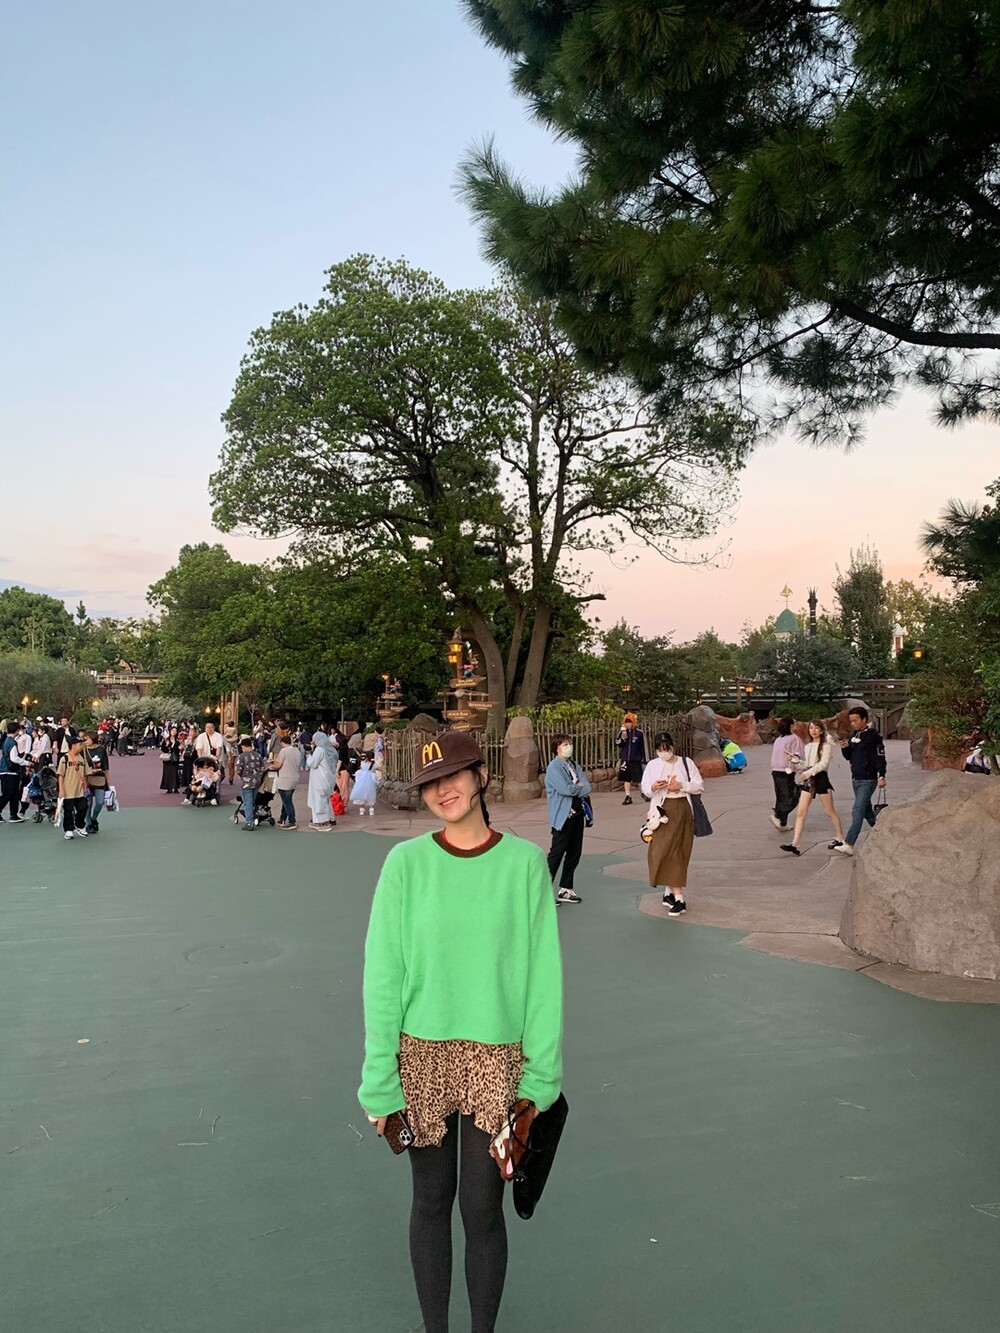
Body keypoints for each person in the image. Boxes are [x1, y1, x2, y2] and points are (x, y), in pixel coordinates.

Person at [358, 730, 563, 1333]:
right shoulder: (405, 865)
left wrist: (541, 1078)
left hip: (496, 1056)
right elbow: (383, 975)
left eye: (452, 776)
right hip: (420, 1054)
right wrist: (379, 1080)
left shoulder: (524, 865)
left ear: (480, 776)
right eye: (430, 783)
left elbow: (543, 977)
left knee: (481, 1207)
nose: (442, 790)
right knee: (429, 1203)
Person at [641, 731, 704, 916]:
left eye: (666, 748)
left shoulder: (686, 763)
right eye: (659, 749)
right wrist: (654, 787)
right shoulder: (653, 765)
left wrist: (681, 785)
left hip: (682, 808)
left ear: (672, 746)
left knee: (679, 852)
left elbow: (699, 785)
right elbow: (646, 790)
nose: (663, 752)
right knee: (662, 851)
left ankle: (676, 897)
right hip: (662, 811)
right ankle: (673, 895)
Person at [779, 721, 846, 855]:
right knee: (800, 812)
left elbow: (823, 763)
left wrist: (808, 772)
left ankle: (840, 838)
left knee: (829, 811)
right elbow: (806, 764)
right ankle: (795, 843)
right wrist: (796, 761)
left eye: (816, 728)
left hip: (821, 779)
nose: (813, 730)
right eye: (811, 728)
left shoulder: (826, 745)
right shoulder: (808, 746)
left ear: (821, 730)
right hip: (809, 780)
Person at [544, 734, 591, 904]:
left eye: (569, 743)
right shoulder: (553, 768)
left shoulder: (573, 765)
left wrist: (577, 787)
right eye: (564, 744)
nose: (568, 746)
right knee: (556, 854)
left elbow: (587, 786)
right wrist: (577, 787)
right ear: (556, 747)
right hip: (563, 816)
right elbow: (565, 789)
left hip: (577, 814)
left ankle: (566, 888)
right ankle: (543, 890)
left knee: (574, 853)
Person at [835, 706, 887, 857]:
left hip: (868, 779)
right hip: (856, 778)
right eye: (851, 721)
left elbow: (880, 756)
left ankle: (849, 843)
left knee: (857, 810)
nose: (853, 723)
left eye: (855, 720)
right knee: (867, 811)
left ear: (864, 719)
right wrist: (844, 747)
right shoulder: (854, 735)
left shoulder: (873, 735)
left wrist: (881, 775)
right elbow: (849, 756)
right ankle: (883, 833)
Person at [769, 717, 804, 833]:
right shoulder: (794, 738)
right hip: (786, 772)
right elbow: (798, 755)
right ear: (791, 726)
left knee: (781, 797)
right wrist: (802, 771)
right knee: (792, 797)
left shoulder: (778, 739)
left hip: (776, 771)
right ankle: (777, 816)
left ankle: (782, 823)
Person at [57, 734, 90, 839]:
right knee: (68, 811)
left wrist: (86, 786)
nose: (81, 746)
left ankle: (79, 825)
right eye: (80, 744)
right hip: (68, 791)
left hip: (80, 790)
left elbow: (85, 773)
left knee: (83, 807)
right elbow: (60, 775)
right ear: (73, 745)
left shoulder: (82, 758)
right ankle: (68, 830)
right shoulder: (65, 759)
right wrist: (61, 790)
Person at [306, 725, 338, 830]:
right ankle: (330, 818)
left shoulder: (320, 750)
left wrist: (309, 755)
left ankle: (323, 822)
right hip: (329, 779)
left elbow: (313, 763)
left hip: (319, 779)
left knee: (319, 800)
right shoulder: (332, 750)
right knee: (326, 799)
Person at [83, 730, 111, 833]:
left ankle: (94, 818)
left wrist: (108, 781)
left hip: (100, 778)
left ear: (93, 739)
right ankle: (88, 823)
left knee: (100, 802)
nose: (85, 741)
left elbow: (106, 766)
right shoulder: (83, 750)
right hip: (87, 779)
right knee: (88, 803)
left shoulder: (101, 750)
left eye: (87, 739)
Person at [0, 721, 29, 822]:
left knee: (12, 794)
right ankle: (13, 814)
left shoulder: (6, 740)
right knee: (9, 794)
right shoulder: (12, 742)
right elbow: (14, 758)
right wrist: (26, 763)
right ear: (17, 730)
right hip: (10, 771)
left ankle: (13, 814)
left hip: (5, 770)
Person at [272, 733, 302, 829]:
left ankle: (292, 821)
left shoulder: (284, 751)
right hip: (294, 777)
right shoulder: (297, 751)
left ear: (282, 743)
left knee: (287, 801)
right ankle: (282, 818)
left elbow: (278, 764)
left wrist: (272, 766)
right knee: (286, 800)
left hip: (285, 779)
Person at [234, 736, 265, 830]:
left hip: (246, 782)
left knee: (247, 802)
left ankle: (249, 822)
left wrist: (241, 776)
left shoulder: (242, 756)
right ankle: (254, 817)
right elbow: (262, 768)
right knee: (253, 800)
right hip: (256, 781)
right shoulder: (258, 755)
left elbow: (238, 769)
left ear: (244, 746)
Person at [616, 712, 647, 805]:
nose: (628, 724)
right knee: (626, 778)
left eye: (630, 722)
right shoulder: (622, 732)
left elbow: (643, 747)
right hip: (625, 759)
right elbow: (618, 743)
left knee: (639, 778)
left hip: (636, 759)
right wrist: (623, 738)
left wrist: (644, 759)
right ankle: (628, 796)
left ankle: (644, 793)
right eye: (626, 722)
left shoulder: (639, 733)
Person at [159, 727, 181, 794]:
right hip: (167, 759)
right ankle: (169, 788)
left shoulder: (178, 741)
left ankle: (175, 787)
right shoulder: (166, 740)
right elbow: (163, 749)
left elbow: (179, 749)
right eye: (173, 730)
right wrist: (167, 745)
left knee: (175, 773)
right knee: (167, 773)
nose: (174, 732)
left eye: (175, 731)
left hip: (174, 758)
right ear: (170, 731)